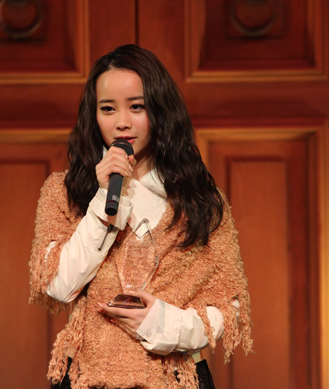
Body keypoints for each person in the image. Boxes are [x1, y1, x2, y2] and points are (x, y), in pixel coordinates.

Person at [28, 44, 252, 389]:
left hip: (175, 378)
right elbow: (59, 285)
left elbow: (228, 306)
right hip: (88, 377)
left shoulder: (199, 200)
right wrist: (104, 199)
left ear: (160, 110)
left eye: (137, 107)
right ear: (93, 115)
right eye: (108, 108)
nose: (122, 123)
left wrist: (161, 323)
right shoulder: (65, 192)